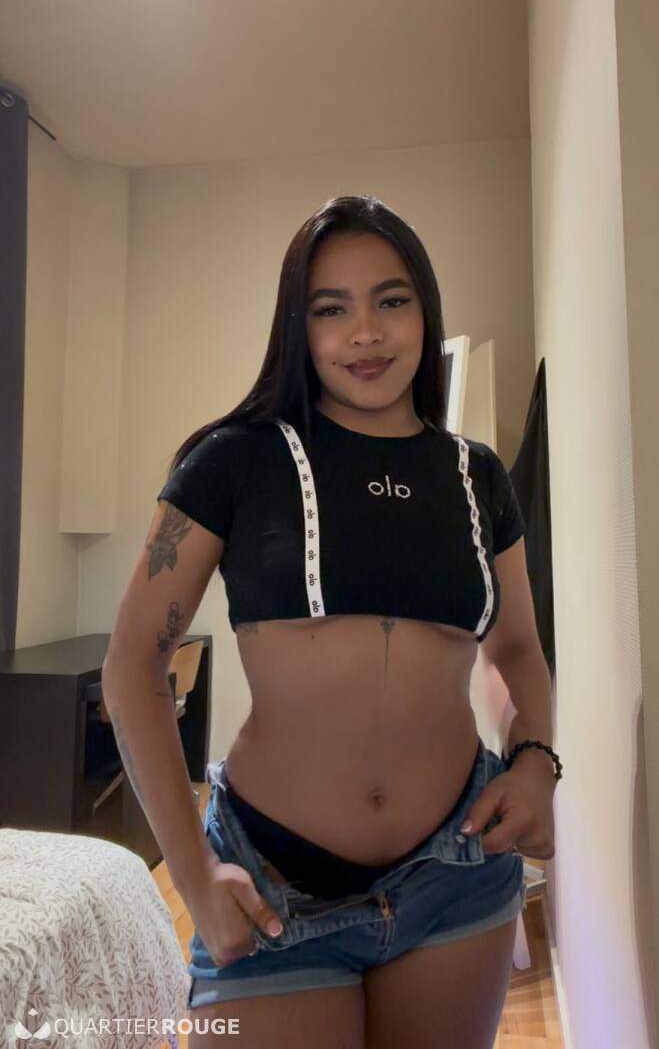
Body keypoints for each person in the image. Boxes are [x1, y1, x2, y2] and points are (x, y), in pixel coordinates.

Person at [102, 195, 559, 1049]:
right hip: (273, 889)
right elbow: (132, 663)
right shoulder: (233, 460)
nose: (365, 334)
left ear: (424, 311)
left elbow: (518, 649)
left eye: (391, 300)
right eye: (330, 309)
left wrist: (535, 761)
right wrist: (192, 872)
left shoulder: (477, 477)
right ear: (297, 326)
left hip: (454, 878)